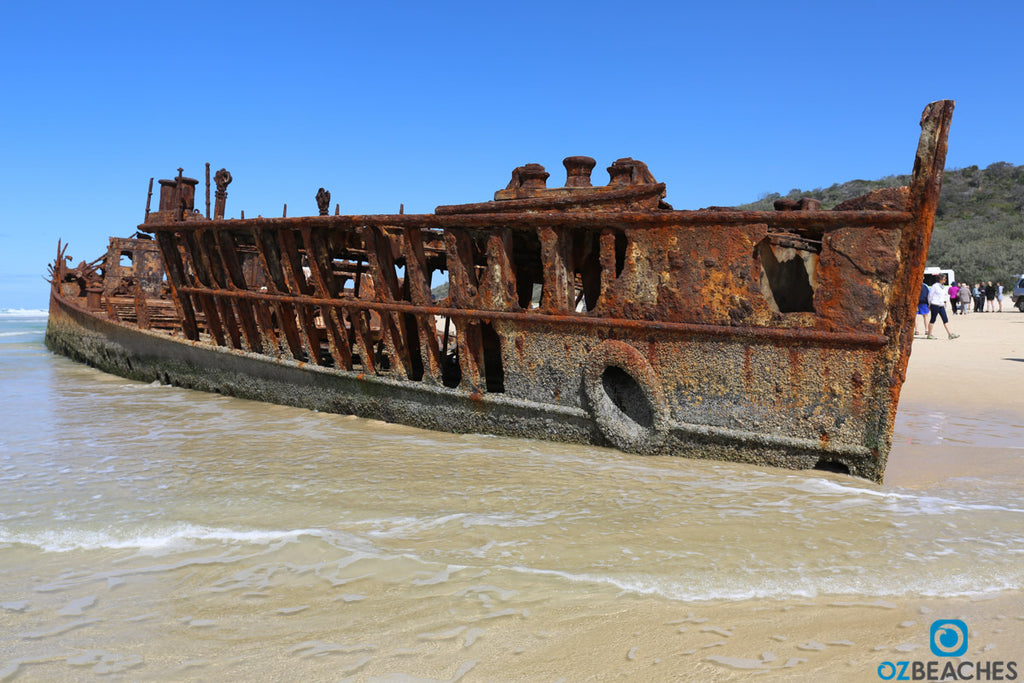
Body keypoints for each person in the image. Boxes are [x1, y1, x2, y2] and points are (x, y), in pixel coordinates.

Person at [926, 274, 959, 340]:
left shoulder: (943, 287)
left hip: (941, 305)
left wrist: (944, 302)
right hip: (935, 304)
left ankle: (950, 334)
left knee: (945, 319)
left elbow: (943, 296)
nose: (945, 280)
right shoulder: (934, 286)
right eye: (944, 279)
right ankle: (929, 334)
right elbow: (930, 296)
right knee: (933, 319)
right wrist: (929, 304)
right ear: (940, 279)